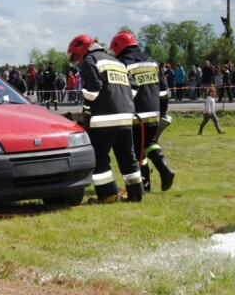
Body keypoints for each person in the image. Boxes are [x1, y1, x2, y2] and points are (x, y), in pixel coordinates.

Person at [67, 34, 144, 203]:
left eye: (77, 56)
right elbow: (134, 86)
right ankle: (136, 193)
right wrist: (123, 103)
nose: (78, 61)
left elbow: (92, 91)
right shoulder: (116, 62)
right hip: (125, 116)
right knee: (127, 156)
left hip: (104, 118)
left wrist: (86, 109)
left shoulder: (90, 61)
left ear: (84, 50)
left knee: (99, 157)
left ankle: (107, 195)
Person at [110, 31, 175, 192]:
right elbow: (164, 91)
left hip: (135, 115)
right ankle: (160, 171)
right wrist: (162, 112)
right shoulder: (151, 61)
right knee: (149, 143)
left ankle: (146, 182)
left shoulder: (122, 63)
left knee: (136, 149)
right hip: (154, 113)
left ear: (118, 47)